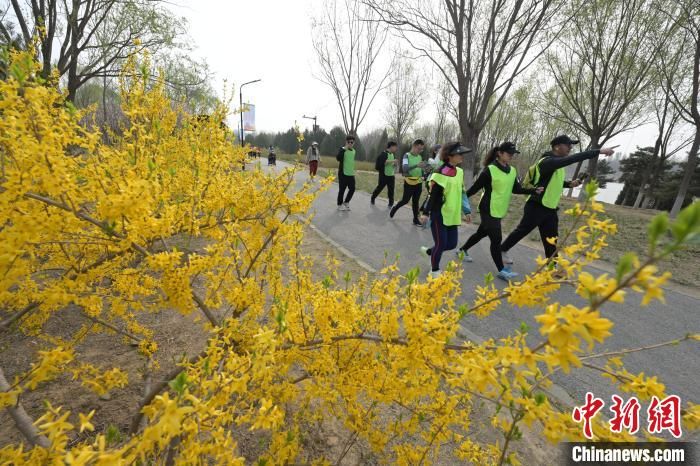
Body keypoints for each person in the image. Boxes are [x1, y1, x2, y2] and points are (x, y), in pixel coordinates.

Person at [500, 135, 615, 267]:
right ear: (556, 147)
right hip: (537, 205)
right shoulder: (547, 161)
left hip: (550, 208)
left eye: (571, 145)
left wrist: (569, 184)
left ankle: (552, 267)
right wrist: (598, 151)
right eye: (568, 145)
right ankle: (502, 250)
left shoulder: (556, 165)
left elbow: (552, 182)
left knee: (551, 239)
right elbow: (573, 159)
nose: (570, 148)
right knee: (522, 230)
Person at [457, 142, 543, 281]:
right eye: (509, 153)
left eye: (513, 154)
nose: (511, 156)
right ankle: (501, 270)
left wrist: (533, 190)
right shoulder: (489, 170)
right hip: (487, 209)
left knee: (481, 233)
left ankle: (462, 250)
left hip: (499, 209)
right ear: (500, 153)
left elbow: (516, 189)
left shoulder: (512, 171)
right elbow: (475, 188)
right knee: (496, 239)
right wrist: (460, 198)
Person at [419, 142, 473, 279]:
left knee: (451, 244)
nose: (462, 156)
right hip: (440, 214)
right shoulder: (439, 173)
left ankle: (431, 252)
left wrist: (466, 210)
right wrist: (426, 213)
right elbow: (432, 195)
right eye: (459, 154)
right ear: (449, 156)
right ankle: (434, 271)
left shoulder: (459, 172)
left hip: (453, 215)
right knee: (441, 243)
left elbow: (462, 192)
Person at [390, 139, 426, 225]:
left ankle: (415, 219)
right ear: (413, 146)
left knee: (416, 201)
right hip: (409, 182)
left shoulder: (420, 157)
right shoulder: (407, 155)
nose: (420, 151)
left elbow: (421, 170)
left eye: (421, 149)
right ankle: (395, 208)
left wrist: (424, 174)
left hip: (418, 182)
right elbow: (405, 168)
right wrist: (416, 165)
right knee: (405, 200)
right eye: (418, 148)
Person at [371, 141, 399, 207]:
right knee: (379, 188)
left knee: (391, 190)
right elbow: (382, 164)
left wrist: (394, 164)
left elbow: (391, 165)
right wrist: (393, 161)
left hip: (391, 176)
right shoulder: (383, 154)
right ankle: (373, 198)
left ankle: (391, 203)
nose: (396, 149)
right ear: (391, 146)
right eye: (395, 147)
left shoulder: (392, 154)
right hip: (384, 175)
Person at [336, 135, 357, 211]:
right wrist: (345, 149)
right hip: (343, 173)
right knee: (342, 190)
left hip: (351, 174)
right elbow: (338, 158)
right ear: (346, 142)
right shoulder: (342, 149)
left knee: (352, 189)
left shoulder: (354, 151)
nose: (350, 143)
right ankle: (339, 205)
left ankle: (346, 202)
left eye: (352, 142)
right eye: (349, 142)